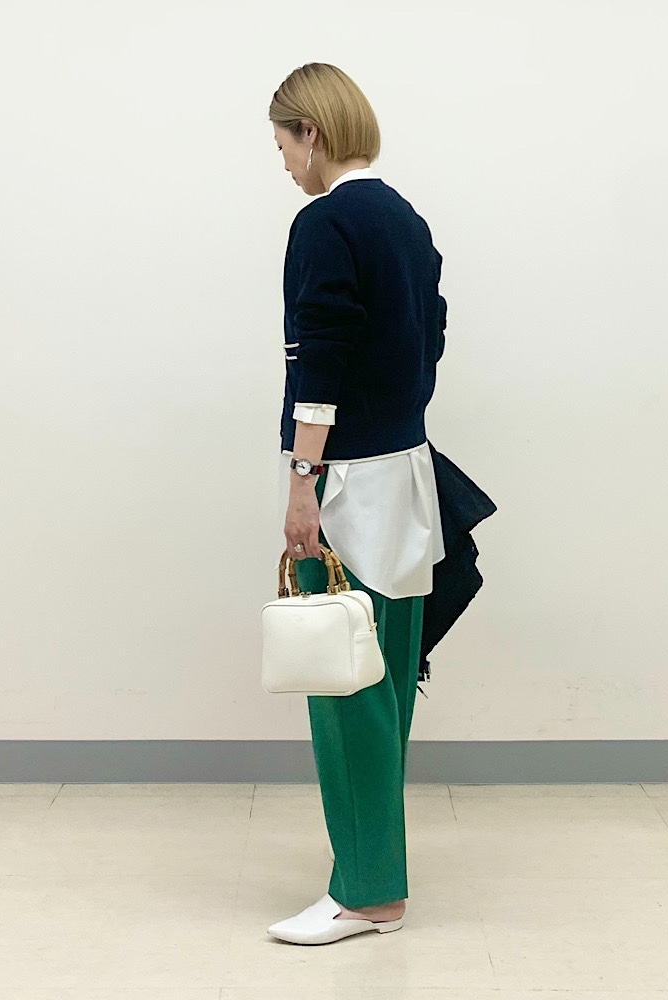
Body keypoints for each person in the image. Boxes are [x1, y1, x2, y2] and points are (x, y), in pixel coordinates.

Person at [266, 63, 448, 946]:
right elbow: (431, 340)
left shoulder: (325, 221)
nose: (283, 164)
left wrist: (302, 479)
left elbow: (321, 355)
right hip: (408, 472)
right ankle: (373, 876)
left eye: (282, 144)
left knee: (345, 688)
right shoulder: (407, 220)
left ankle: (368, 892)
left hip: (350, 482)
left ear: (312, 132)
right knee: (387, 685)